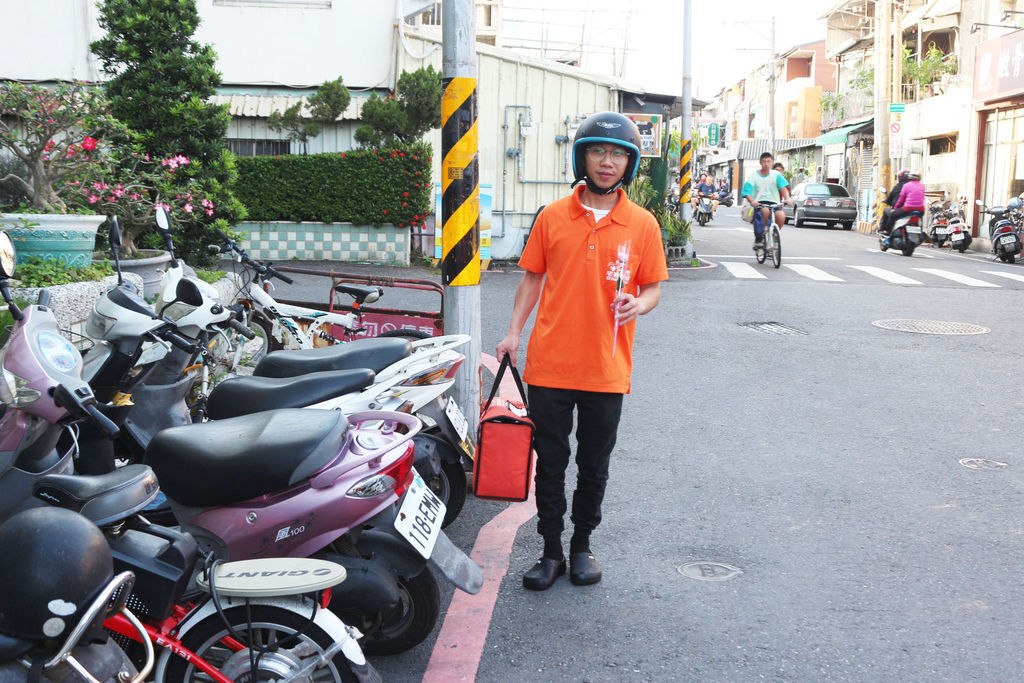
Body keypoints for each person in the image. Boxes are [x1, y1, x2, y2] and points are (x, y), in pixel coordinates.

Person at [495, 111, 668, 591]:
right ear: (582, 158)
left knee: (594, 466)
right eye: (597, 151)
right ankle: (550, 550)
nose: (607, 162)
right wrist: (513, 333)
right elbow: (532, 279)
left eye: (617, 154)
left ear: (629, 163)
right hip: (549, 365)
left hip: (606, 369)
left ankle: (582, 546)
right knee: (550, 464)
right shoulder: (552, 216)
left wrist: (640, 304)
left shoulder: (642, 224)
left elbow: (653, 288)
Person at [742, 151, 792, 247]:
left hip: (775, 203)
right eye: (764, 161)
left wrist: (787, 198)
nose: (766, 164)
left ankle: (774, 235)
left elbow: (783, 188)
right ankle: (761, 234)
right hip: (760, 204)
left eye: (769, 161)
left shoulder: (776, 175)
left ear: (772, 162)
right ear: (760, 162)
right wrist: (752, 201)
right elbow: (746, 192)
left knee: (781, 215)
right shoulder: (753, 176)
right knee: (765, 211)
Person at [884, 170, 925, 240]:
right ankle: (920, 232)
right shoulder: (922, 186)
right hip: (921, 209)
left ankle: (887, 231)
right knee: (919, 219)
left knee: (892, 215)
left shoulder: (906, 186)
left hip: (908, 208)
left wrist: (895, 208)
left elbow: (901, 198)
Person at [879, 169, 911, 235]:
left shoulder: (898, 187)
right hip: (912, 210)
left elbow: (891, 199)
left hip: (901, 210)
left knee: (887, 211)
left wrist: (888, 202)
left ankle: (886, 230)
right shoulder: (912, 187)